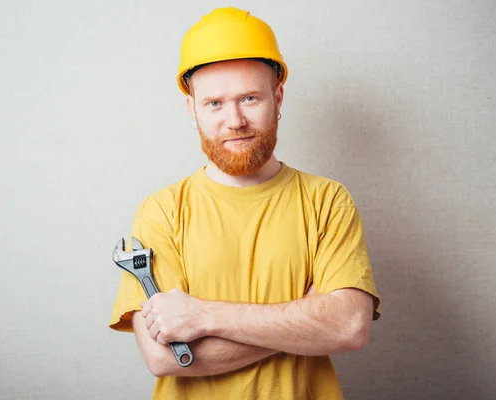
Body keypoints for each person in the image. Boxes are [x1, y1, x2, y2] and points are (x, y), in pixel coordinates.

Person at [109, 6, 381, 399]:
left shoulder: (327, 201)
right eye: (214, 103)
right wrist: (305, 319)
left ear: (278, 96)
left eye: (249, 98)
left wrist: (202, 316)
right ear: (193, 109)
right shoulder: (162, 211)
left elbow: (349, 327)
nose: (234, 120)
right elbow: (164, 357)